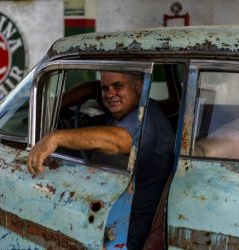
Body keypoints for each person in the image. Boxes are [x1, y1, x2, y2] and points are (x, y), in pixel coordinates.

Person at [27, 71, 175, 249]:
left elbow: (118, 141)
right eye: (106, 88)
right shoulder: (125, 105)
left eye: (118, 86)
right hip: (117, 206)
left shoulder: (146, 121)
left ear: (139, 87)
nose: (110, 94)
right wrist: (54, 105)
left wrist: (56, 138)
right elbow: (91, 88)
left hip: (128, 226)